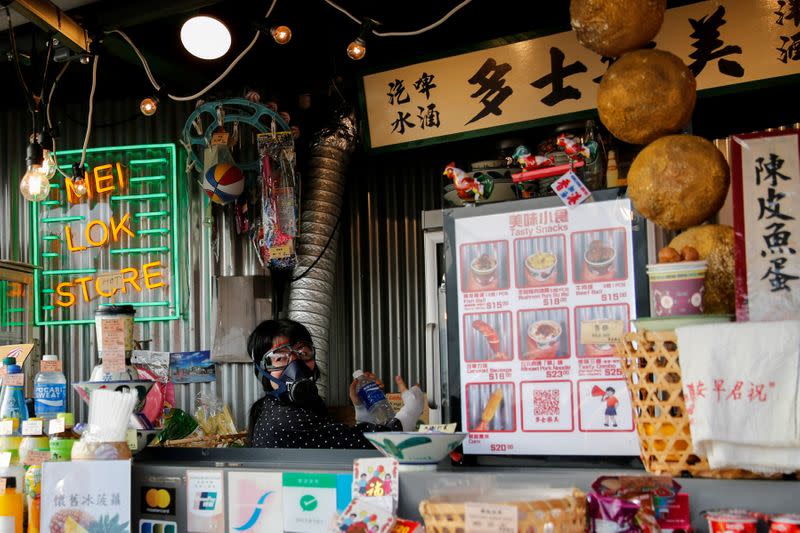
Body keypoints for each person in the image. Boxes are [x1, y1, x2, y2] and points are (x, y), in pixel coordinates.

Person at [248, 318, 424, 448]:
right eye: (279, 358)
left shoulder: (279, 407)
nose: (295, 365)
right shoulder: (285, 421)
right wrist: (411, 409)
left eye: (303, 352)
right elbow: (381, 445)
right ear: (262, 371)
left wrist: (362, 408)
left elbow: (347, 445)